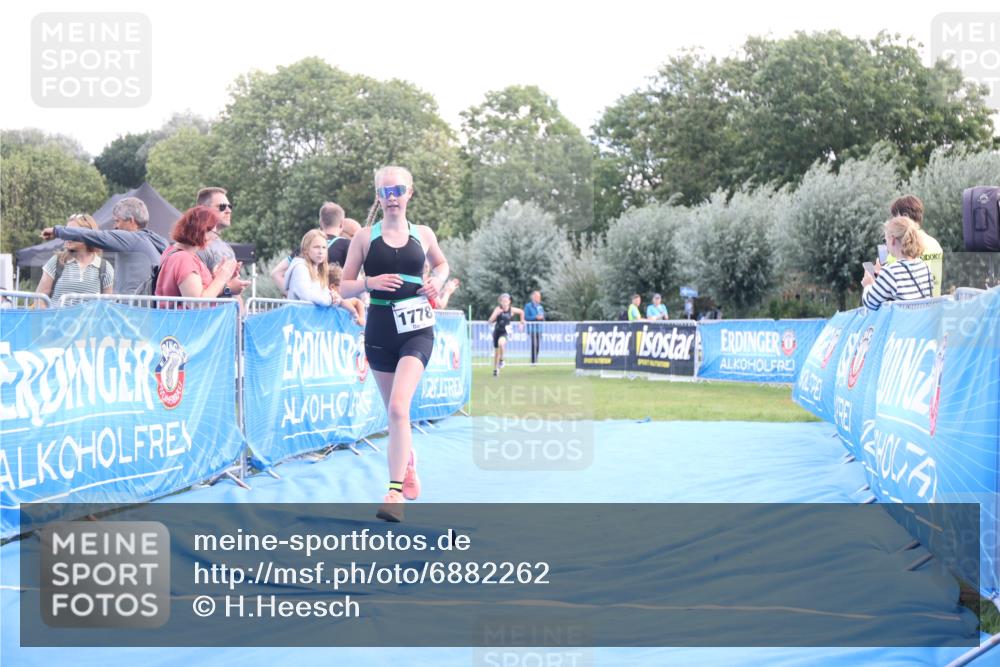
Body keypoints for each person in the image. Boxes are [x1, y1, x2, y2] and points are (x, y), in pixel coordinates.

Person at [339, 166, 449, 523]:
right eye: (385, 192)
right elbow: (344, 286)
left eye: (397, 190)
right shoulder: (364, 239)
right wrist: (370, 282)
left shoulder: (424, 234)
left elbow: (442, 265)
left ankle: (393, 493)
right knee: (394, 415)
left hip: (417, 330)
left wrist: (436, 281)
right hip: (380, 331)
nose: (391, 197)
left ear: (409, 193)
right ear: (378, 196)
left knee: (400, 408)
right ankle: (408, 463)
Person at [41, 197, 168, 294]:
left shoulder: (131, 239)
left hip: (133, 313)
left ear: (131, 221)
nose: (115, 226)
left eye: (117, 221)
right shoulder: (157, 241)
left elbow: (95, 236)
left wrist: (58, 231)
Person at [155, 206, 245, 308]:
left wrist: (218, 277)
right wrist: (221, 279)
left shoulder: (176, 253)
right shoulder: (183, 258)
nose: (215, 237)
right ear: (202, 231)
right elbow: (197, 303)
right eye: (214, 232)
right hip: (187, 322)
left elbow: (201, 292)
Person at [35, 214, 115, 307]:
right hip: (56, 321)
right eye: (65, 232)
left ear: (88, 235)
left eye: (72, 232)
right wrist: (48, 321)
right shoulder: (57, 261)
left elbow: (107, 307)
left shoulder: (105, 268)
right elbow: (39, 298)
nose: (67, 236)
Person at [271, 203, 351, 293]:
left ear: (321, 222)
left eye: (323, 248)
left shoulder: (306, 246)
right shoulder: (347, 245)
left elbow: (276, 273)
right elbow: (355, 279)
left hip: (307, 305)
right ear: (341, 224)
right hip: (335, 304)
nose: (321, 251)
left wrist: (293, 295)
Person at [862, 217, 934, 311]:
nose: (885, 244)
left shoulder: (890, 272)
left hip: (903, 324)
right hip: (922, 323)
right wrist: (883, 276)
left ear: (892, 239)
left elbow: (870, 303)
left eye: (885, 240)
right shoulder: (925, 267)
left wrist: (868, 285)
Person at [888, 195, 943, 297]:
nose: (892, 222)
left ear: (904, 216)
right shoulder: (935, 244)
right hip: (933, 306)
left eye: (895, 217)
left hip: (908, 309)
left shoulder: (899, 246)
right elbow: (936, 282)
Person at [284, 229, 343, 307]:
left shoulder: (318, 269)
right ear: (306, 249)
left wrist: (336, 299)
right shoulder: (300, 268)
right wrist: (330, 299)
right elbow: (306, 295)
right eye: (316, 247)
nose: (321, 251)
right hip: (298, 318)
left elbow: (325, 294)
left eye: (324, 247)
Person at [488, 293, 525, 377]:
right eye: (503, 301)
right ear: (500, 302)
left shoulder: (511, 310)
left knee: (501, 343)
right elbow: (490, 321)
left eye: (506, 301)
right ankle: (495, 370)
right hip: (497, 331)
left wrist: (522, 323)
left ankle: (501, 360)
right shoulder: (497, 309)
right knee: (496, 352)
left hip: (505, 332)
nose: (504, 303)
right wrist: (496, 314)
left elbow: (521, 312)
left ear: (509, 301)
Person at [523, 290, 545, 363]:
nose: (539, 298)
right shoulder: (528, 306)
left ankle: (535, 360)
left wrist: (542, 318)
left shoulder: (540, 307)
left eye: (539, 297)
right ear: (533, 297)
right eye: (537, 296)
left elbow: (543, 317)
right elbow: (526, 317)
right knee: (534, 344)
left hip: (539, 329)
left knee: (538, 345)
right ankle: (533, 361)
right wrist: (535, 317)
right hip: (532, 329)